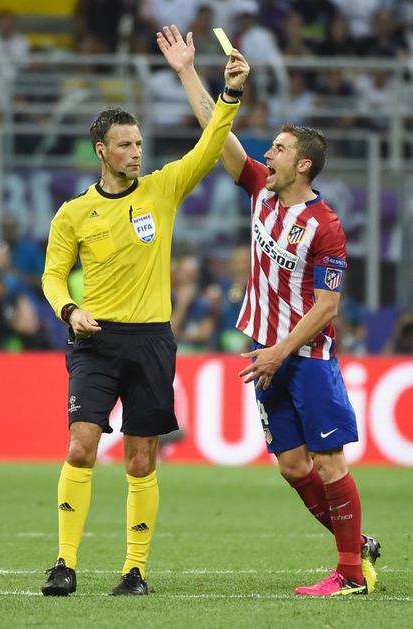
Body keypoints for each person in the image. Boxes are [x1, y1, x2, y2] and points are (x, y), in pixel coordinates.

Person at [158, 24, 381, 597]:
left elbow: (328, 306)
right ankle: (356, 544)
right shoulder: (259, 188)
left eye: (279, 149)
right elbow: (217, 133)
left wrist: (281, 351)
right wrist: (189, 72)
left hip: (306, 358)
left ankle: (351, 574)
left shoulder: (325, 227)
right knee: (292, 467)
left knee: (329, 465)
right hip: (268, 352)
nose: (267, 154)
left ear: (303, 166)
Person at [40, 44, 249, 596]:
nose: (136, 152)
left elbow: (210, 145)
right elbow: (52, 277)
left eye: (138, 143)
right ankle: (64, 564)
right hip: (95, 340)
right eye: (125, 145)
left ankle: (134, 572)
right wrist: (70, 310)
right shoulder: (73, 214)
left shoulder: (162, 189)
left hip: (152, 341)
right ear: (101, 151)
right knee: (80, 446)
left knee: (140, 459)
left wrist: (228, 92)